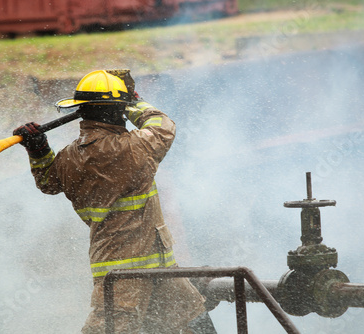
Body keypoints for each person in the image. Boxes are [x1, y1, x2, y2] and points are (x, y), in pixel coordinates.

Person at [13, 70, 215, 333]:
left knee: (192, 321)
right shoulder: (132, 147)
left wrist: (38, 149)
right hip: (127, 277)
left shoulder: (68, 158)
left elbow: (48, 181)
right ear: (116, 111)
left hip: (146, 268)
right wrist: (135, 103)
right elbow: (162, 125)